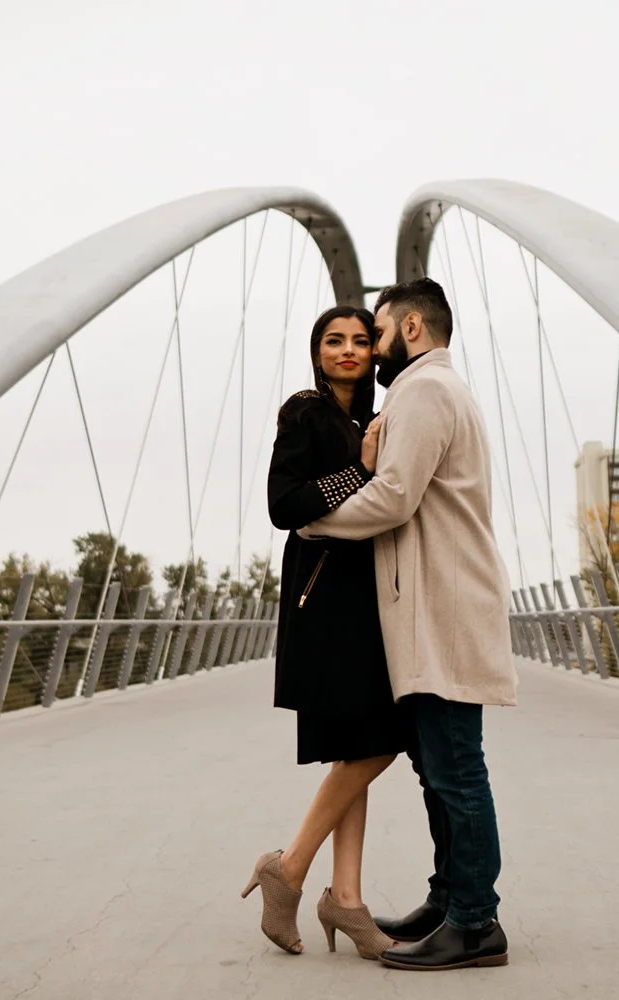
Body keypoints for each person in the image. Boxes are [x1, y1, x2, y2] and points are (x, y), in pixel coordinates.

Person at [300, 277, 518, 972]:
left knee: (455, 770)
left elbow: (394, 497)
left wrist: (313, 522)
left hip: (441, 609)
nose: (372, 345)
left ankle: (475, 924)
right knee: (438, 768)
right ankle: (449, 901)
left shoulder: (423, 390)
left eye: (380, 331)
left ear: (413, 329)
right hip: (433, 606)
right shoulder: (435, 389)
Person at [240, 305, 406, 961]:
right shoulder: (305, 413)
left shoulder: (377, 419)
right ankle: (290, 868)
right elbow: (284, 505)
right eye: (333, 340)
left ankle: (347, 899)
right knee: (379, 741)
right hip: (324, 599)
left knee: (356, 745)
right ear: (317, 353)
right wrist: (359, 471)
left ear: (374, 352)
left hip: (369, 600)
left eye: (361, 340)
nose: (348, 350)